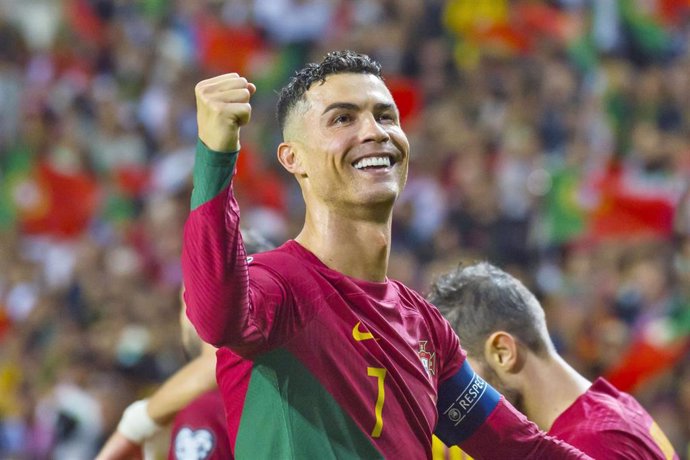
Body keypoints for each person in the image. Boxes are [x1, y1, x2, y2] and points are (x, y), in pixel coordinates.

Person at [182, 50, 590, 459]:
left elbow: (520, 448)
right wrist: (215, 156)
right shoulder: (279, 289)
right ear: (293, 158)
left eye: (386, 116)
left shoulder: (426, 327)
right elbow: (216, 318)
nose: (375, 131)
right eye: (343, 118)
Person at [428, 261, 679, 460]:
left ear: (503, 353)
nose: (455, 394)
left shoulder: (589, 443)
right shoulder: (611, 408)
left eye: (460, 374)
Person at [96, 231, 274, 460]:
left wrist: (134, 425)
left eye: (187, 299)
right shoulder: (309, 376)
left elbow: (216, 361)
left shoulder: (210, 409)